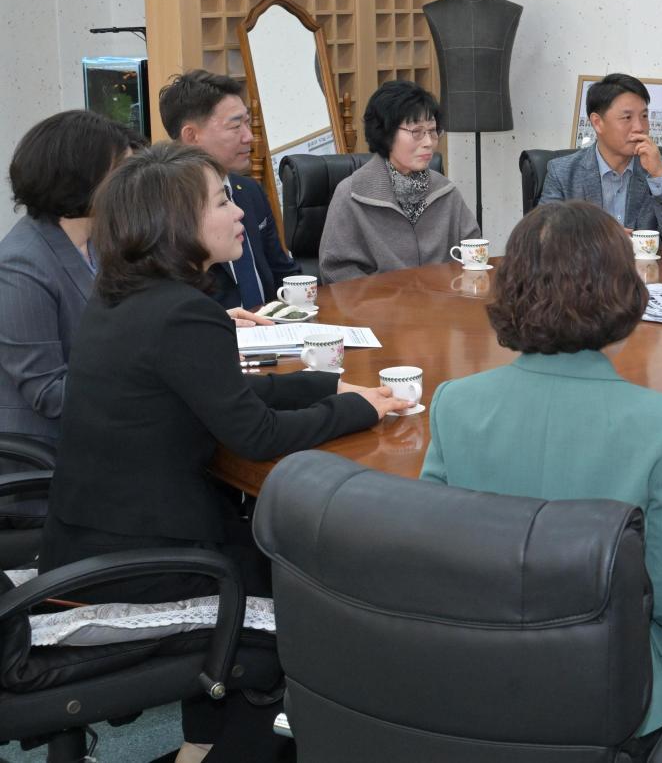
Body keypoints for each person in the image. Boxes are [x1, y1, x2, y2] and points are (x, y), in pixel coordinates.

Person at [38, 143, 403, 759]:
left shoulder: (125, 298)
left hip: (92, 538)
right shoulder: (182, 313)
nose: (239, 211)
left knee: (271, 553)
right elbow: (255, 434)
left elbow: (227, 396)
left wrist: (328, 385)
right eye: (220, 200)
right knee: (310, 605)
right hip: (142, 567)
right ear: (176, 223)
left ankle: (200, 747)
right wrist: (360, 409)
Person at [420, 200, 662, 744]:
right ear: (624, 291)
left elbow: (434, 563)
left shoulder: (455, 404)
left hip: (482, 687)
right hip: (616, 698)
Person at [0, 110, 142, 447]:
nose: (134, 183)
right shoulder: (20, 267)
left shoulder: (103, 241)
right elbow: (50, 394)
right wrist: (151, 374)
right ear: (81, 179)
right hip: (51, 454)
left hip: (107, 432)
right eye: (123, 171)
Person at [159, 70, 298, 317]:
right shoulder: (165, 207)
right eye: (236, 126)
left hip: (270, 332)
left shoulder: (249, 191)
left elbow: (281, 270)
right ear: (191, 135)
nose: (249, 137)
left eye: (247, 122)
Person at [319, 80, 480, 282]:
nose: (429, 143)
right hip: (376, 310)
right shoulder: (351, 194)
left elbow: (473, 256)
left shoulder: (446, 192)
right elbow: (336, 271)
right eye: (417, 132)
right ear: (386, 133)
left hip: (442, 307)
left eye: (432, 131)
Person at [539, 73, 662, 246]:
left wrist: (658, 175)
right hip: (585, 271)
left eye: (644, 116)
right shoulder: (563, 172)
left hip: (645, 272)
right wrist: (599, 235)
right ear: (598, 123)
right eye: (627, 118)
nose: (639, 127)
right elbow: (544, 235)